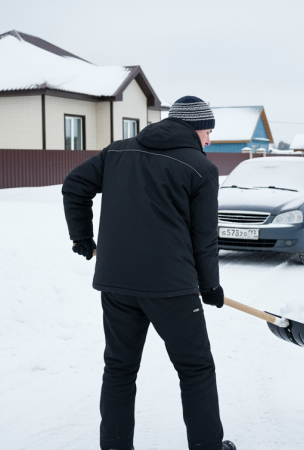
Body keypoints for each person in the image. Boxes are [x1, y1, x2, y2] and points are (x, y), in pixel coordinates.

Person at [62, 96, 235, 450]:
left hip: (117, 284)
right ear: (194, 129)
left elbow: (74, 185)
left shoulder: (118, 152)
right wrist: (210, 286)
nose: (210, 140)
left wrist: (81, 236)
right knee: (196, 370)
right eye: (208, 132)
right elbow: (204, 239)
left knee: (119, 370)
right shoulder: (200, 168)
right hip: (171, 288)